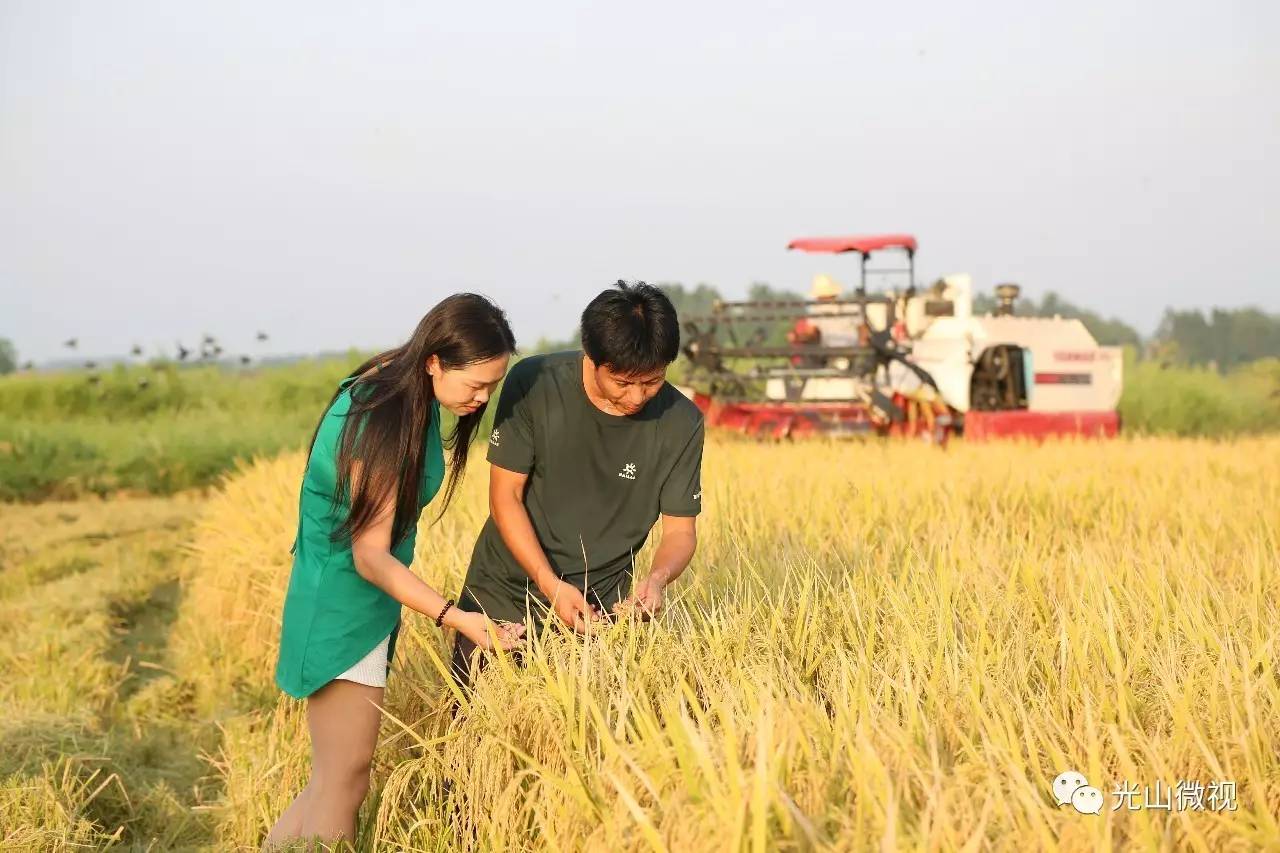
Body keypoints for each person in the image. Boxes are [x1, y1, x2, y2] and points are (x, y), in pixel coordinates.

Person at [266, 293, 527, 849]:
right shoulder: (382, 414)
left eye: (491, 387)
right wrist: (457, 618)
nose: (481, 400)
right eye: (475, 385)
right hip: (341, 604)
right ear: (435, 360)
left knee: (333, 777)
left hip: (362, 601)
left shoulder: (403, 388)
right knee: (347, 777)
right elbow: (370, 553)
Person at [450, 281, 705, 684]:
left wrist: (657, 579)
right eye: (623, 382)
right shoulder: (535, 383)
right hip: (503, 599)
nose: (638, 396)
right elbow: (505, 497)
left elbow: (680, 529)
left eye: (652, 381)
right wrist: (550, 585)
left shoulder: (682, 422)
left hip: (600, 614)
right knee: (477, 732)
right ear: (591, 357)